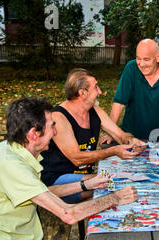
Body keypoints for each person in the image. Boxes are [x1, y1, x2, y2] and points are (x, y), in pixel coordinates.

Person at [0, 97, 139, 240]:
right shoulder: (11, 166)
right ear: (34, 134)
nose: (56, 131)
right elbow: (69, 214)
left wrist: (86, 184)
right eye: (52, 126)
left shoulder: (13, 151)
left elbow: (41, 193)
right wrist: (115, 198)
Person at [40, 68, 144, 204]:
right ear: (82, 93)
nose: (100, 91)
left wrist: (131, 140)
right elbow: (76, 158)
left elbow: (120, 135)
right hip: (58, 180)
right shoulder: (59, 117)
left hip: (86, 178)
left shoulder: (95, 111)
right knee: (114, 186)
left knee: (121, 183)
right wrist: (112, 151)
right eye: (96, 87)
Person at [103, 38, 159, 142]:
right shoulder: (131, 68)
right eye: (138, 58)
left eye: (146, 59)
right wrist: (111, 133)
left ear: (157, 57)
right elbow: (119, 103)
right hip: (133, 137)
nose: (141, 64)